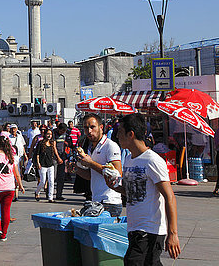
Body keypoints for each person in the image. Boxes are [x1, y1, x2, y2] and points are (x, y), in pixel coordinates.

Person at [105, 113, 180, 264]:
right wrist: (114, 186)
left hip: (149, 230)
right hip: (134, 228)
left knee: (132, 262)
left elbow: (169, 196)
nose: (117, 136)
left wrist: (173, 233)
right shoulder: (129, 158)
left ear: (130, 134)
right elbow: (131, 191)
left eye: (119, 132)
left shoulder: (152, 160)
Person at [72, 114, 123, 216]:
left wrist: (90, 163)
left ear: (101, 127)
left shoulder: (110, 146)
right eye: (86, 128)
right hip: (96, 201)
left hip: (109, 202)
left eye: (92, 127)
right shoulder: (91, 147)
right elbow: (92, 175)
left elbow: (117, 174)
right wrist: (75, 169)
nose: (89, 131)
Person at [0, 136, 24, 241]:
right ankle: (4, 235)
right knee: (6, 211)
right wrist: (20, 185)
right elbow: (17, 174)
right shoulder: (11, 157)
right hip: (9, 188)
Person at [35, 128, 63, 202]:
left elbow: (55, 150)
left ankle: (50, 197)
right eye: (48, 134)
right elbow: (37, 154)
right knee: (43, 182)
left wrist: (58, 158)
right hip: (42, 164)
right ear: (45, 134)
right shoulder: (41, 143)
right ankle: (37, 192)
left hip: (50, 164)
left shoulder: (52, 143)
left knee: (51, 181)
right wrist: (38, 163)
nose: (49, 136)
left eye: (50, 134)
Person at [53, 123, 71, 201]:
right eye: (62, 131)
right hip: (54, 158)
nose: (63, 132)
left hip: (62, 157)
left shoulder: (65, 134)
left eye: (64, 131)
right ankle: (49, 194)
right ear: (58, 129)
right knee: (53, 177)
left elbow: (67, 143)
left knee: (61, 177)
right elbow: (54, 146)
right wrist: (58, 157)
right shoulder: (53, 133)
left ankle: (59, 194)